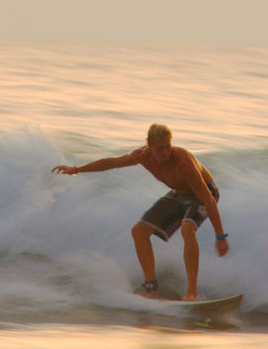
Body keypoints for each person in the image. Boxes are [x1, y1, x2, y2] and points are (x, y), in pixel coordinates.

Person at [52, 123, 230, 301]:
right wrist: (76, 170)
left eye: (168, 147)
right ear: (149, 146)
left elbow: (208, 199)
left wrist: (220, 236)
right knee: (139, 231)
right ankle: (150, 287)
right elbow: (113, 162)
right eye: (160, 148)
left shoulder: (184, 163)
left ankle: (191, 293)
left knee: (187, 229)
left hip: (204, 193)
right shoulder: (142, 156)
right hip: (179, 193)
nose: (165, 152)